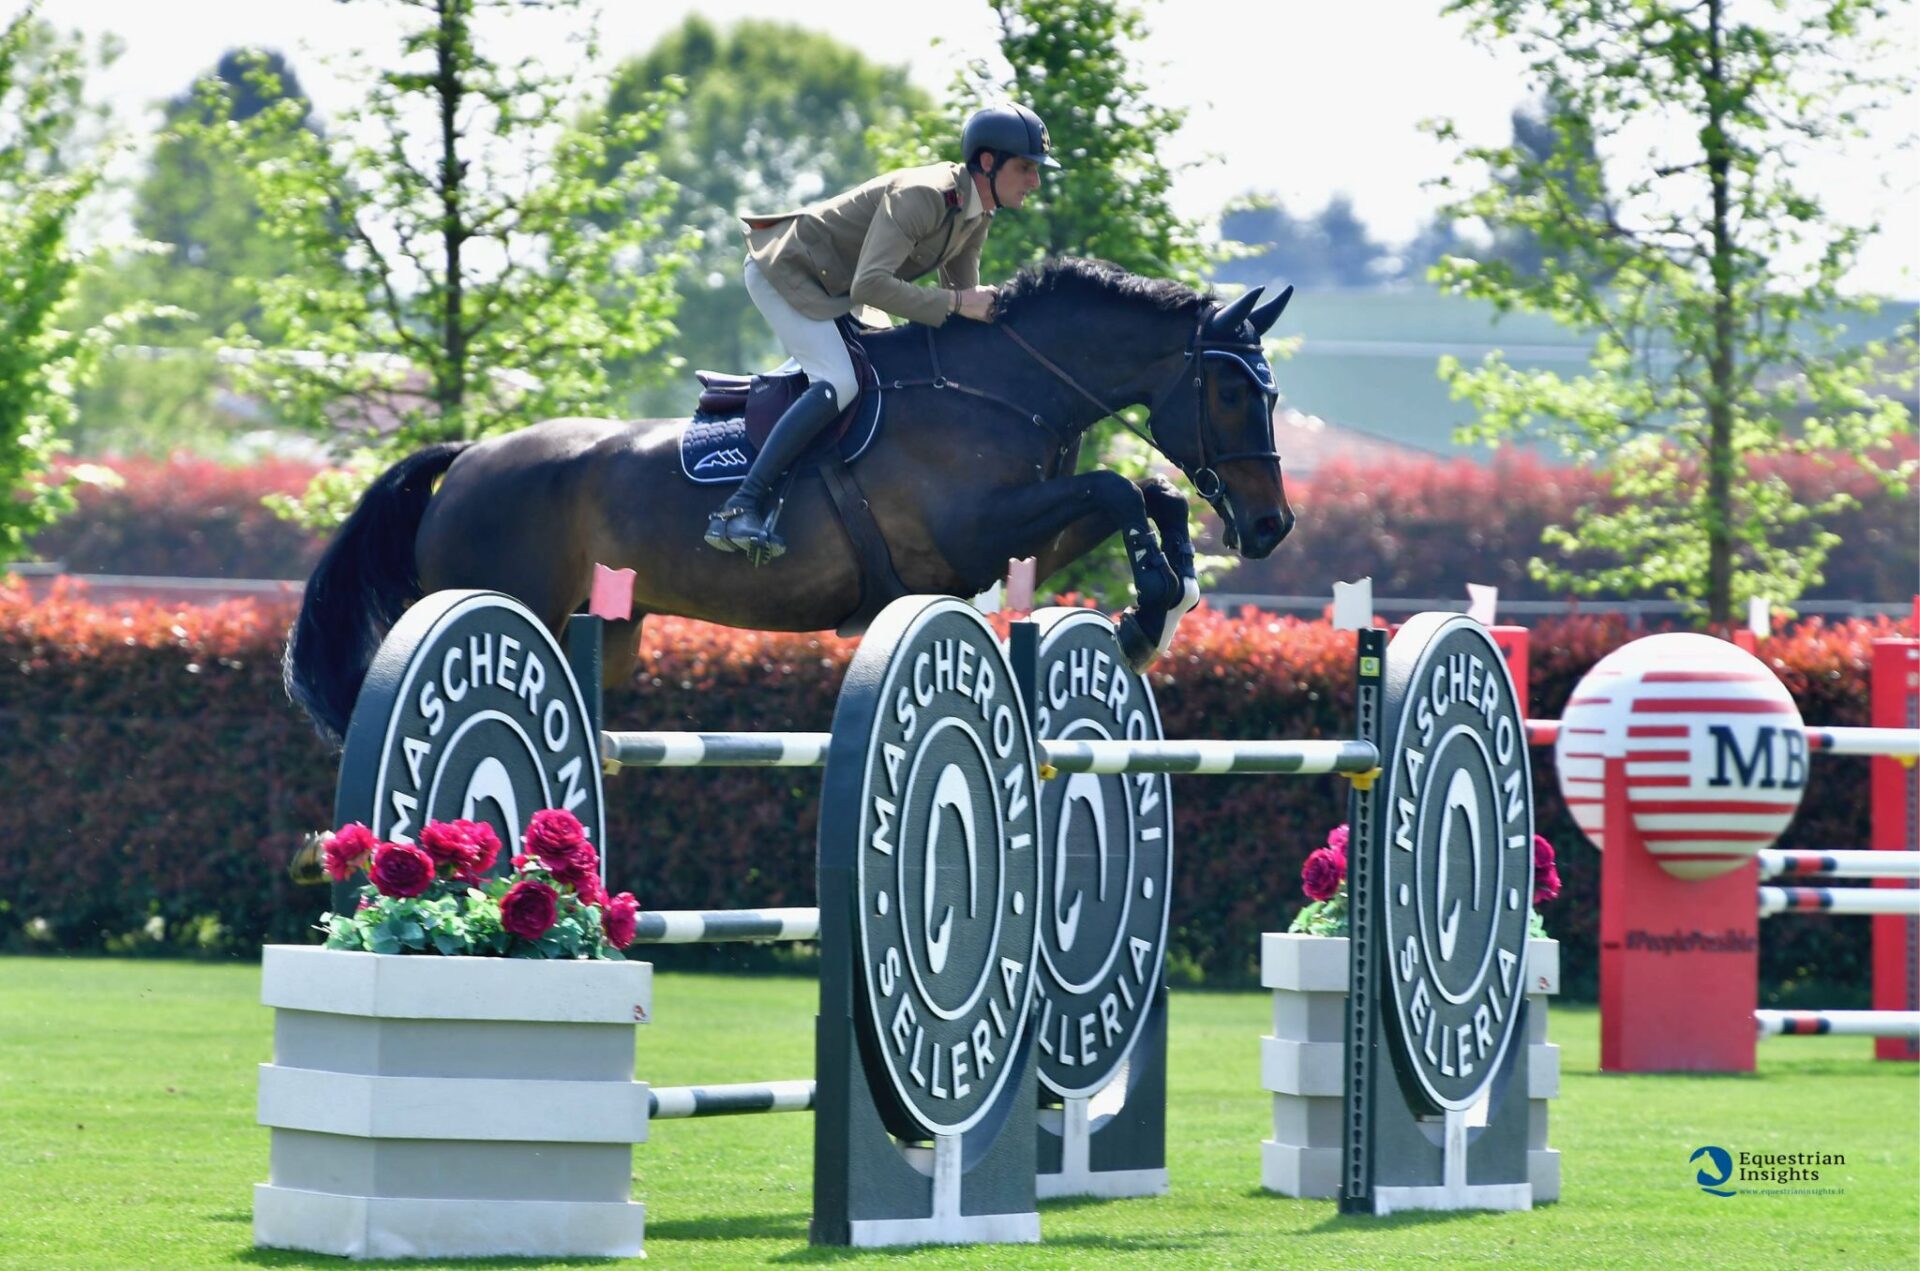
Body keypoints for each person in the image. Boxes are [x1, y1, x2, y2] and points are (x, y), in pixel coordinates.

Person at [704, 102, 1060, 559]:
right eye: (1026, 168)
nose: (1035, 181)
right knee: (839, 380)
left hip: (841, 290)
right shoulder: (924, 195)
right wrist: (958, 303)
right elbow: (875, 284)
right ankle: (741, 506)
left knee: (890, 374)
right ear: (987, 163)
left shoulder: (976, 215)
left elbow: (960, 298)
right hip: (788, 271)